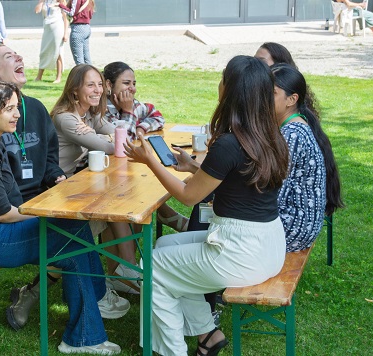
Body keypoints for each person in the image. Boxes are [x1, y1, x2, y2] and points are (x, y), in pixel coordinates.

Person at [0, 45, 129, 334]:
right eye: (9, 57)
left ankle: (34, 295)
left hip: (31, 198)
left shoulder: (35, 109)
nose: (20, 58)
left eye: (15, 108)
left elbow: (51, 157)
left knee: (68, 232)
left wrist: (55, 178)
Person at [124, 55, 289, 356]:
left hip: (239, 251)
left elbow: (187, 197)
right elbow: (237, 181)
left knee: (152, 265)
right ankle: (206, 333)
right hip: (268, 244)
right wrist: (192, 167)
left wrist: (150, 160)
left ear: (231, 91)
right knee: (163, 245)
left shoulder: (229, 142)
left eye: (223, 78)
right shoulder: (269, 135)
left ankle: (171, 351)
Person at [50, 63, 141, 294]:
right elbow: (110, 146)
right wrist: (119, 137)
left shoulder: (89, 114)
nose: (98, 90)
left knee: (117, 200)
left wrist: (122, 135)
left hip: (79, 180)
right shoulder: (66, 118)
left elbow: (119, 133)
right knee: (115, 204)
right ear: (74, 90)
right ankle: (129, 273)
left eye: (100, 84)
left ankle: (121, 273)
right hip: (59, 187)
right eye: (90, 85)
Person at [102, 61, 190, 233]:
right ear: (108, 85)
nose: (133, 89)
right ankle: (168, 216)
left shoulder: (134, 104)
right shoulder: (103, 109)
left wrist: (141, 127)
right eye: (126, 83)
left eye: (134, 83)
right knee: (141, 182)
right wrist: (128, 113)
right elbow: (122, 142)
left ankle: (166, 215)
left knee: (148, 175)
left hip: (124, 169)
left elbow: (157, 115)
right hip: (108, 176)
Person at [271, 63, 345, 251]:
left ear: (291, 99)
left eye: (271, 94)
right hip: (298, 226)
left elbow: (275, 193)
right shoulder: (294, 126)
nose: (262, 99)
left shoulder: (292, 134)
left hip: (291, 230)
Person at [34, 0, 68, 83]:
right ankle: (39, 76)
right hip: (47, 28)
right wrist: (41, 2)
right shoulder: (45, 2)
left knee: (58, 51)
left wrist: (66, 33)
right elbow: (37, 11)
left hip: (57, 27)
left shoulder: (61, 2)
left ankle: (58, 77)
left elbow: (65, 18)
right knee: (44, 51)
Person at [58, 0, 94, 65]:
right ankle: (92, 74)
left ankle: (83, 75)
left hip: (78, 29)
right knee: (87, 59)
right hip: (87, 27)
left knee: (79, 61)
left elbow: (72, 13)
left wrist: (60, 5)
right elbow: (91, 14)